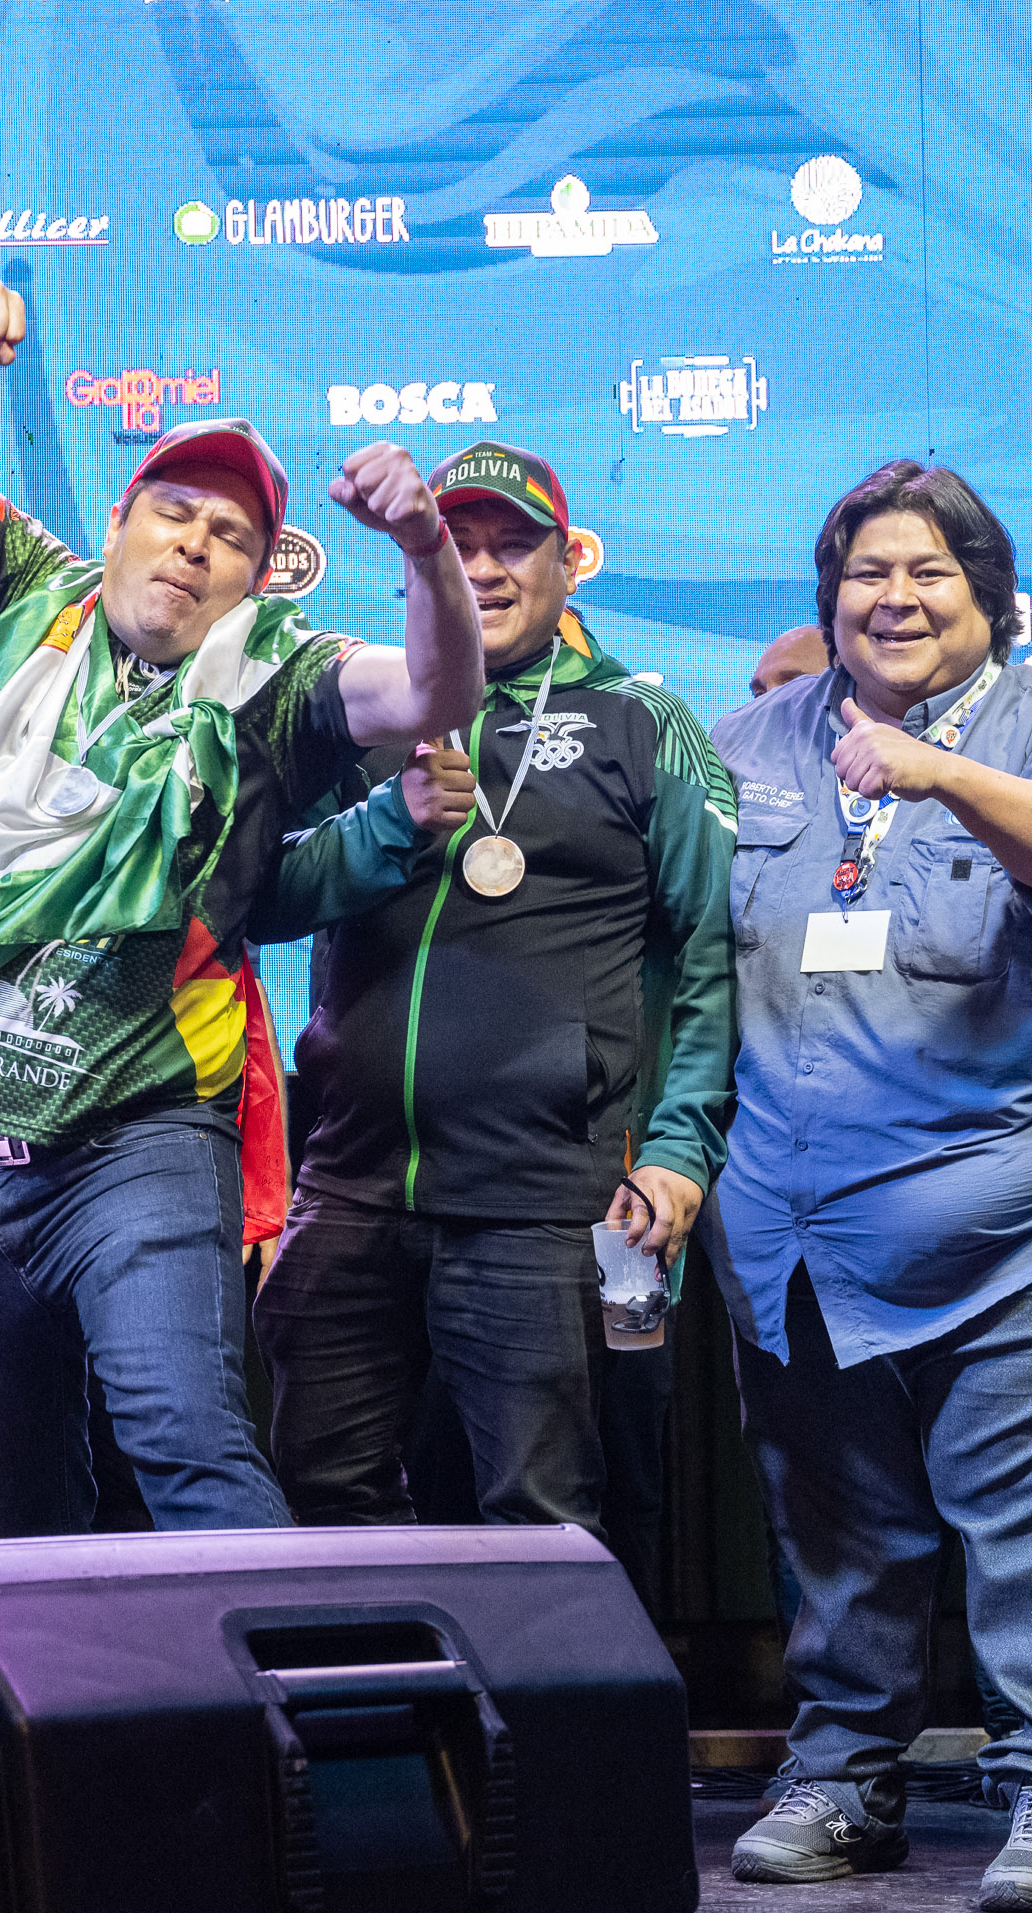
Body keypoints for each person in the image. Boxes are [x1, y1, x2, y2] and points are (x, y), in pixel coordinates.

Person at [0, 279, 484, 1537]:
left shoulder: (281, 681)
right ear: (120, 521)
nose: (194, 543)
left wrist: (424, 549)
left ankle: (279, 1729)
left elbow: (437, 690)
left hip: (138, 1138)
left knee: (188, 1441)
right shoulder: (27, 592)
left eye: (230, 537)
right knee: (6, 1494)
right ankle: (69, 1741)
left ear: (254, 579)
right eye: (174, 512)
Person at [706, 461, 1032, 1913]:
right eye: (867, 575)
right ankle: (844, 1777)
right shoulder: (749, 746)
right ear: (828, 594)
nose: (894, 600)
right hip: (796, 1236)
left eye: (930, 576)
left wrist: (946, 773)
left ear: (990, 597)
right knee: (837, 1542)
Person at [244, 439, 735, 1558]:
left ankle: (565, 1738)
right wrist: (387, 826)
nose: (484, 569)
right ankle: (383, 1736)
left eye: (513, 544)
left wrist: (679, 1146)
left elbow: (711, 956)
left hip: (557, 1203)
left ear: (572, 561)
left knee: (548, 1517)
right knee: (326, 1503)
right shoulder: (363, 712)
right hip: (352, 1190)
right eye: (457, 547)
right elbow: (256, 899)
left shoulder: (644, 724)